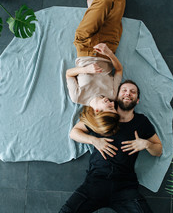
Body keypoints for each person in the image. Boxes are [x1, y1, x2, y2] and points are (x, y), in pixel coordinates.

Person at [59, 80, 163, 213]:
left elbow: (158, 150)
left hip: (125, 186)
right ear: (117, 96)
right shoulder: (104, 114)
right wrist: (95, 141)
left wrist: (146, 144)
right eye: (124, 90)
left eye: (133, 92)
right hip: (96, 181)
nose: (128, 93)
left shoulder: (142, 122)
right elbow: (74, 133)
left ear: (137, 100)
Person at [66, 0, 125, 115]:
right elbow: (118, 71)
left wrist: (86, 70)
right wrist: (109, 53)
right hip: (108, 46)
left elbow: (69, 74)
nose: (111, 103)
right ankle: (95, 10)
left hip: (85, 45)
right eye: (113, 106)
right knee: (118, 0)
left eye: (109, 107)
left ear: (97, 111)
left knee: (104, 0)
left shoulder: (78, 97)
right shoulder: (112, 95)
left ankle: (94, 8)